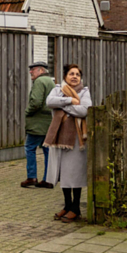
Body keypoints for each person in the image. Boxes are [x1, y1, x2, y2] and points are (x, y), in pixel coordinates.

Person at [44, 64, 92, 223]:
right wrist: (71, 101)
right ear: (65, 76)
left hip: (77, 141)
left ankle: (76, 208)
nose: (74, 77)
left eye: (77, 74)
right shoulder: (58, 89)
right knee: (63, 173)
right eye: (71, 74)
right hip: (59, 139)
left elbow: (85, 110)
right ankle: (68, 205)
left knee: (75, 174)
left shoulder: (84, 92)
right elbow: (50, 101)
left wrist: (64, 106)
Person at [23, 61, 56, 188]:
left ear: (41, 70)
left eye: (33, 69)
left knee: (29, 147)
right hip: (48, 123)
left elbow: (36, 102)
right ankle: (48, 179)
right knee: (47, 150)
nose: (30, 71)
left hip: (37, 123)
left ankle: (31, 177)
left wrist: (28, 111)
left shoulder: (39, 82)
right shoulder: (50, 82)